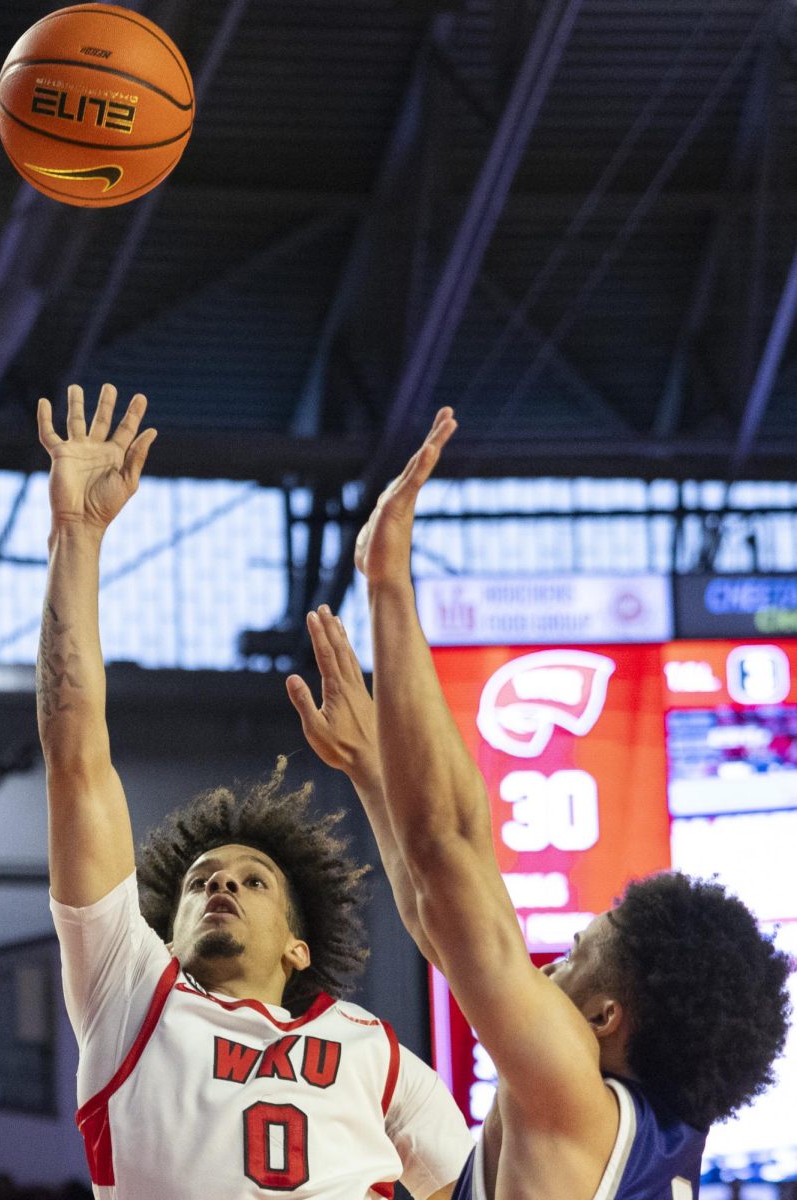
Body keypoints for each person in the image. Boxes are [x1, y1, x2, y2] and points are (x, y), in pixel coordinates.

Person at [285, 407, 793, 1200]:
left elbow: (450, 847)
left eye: (580, 953)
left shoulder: (573, 1100)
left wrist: (389, 586)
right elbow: (444, 922)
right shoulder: (649, 1133)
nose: (551, 961)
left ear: (605, 1017)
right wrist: (373, 775)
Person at [35, 383, 472, 1200]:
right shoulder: (131, 989)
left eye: (250, 879)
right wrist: (76, 536)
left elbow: (481, 1188)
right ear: (166, 933)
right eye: (202, 881)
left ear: (299, 949)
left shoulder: (373, 1050)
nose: (221, 884)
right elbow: (75, 755)